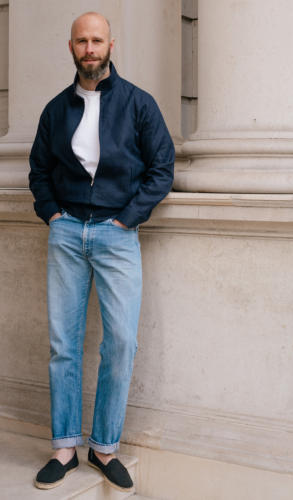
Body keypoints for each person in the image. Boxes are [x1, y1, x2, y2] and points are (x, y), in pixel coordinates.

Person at [29, 11, 174, 492]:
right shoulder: (55, 109)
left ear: (111, 44)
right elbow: (38, 172)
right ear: (70, 47)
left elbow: (162, 168)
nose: (89, 49)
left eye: (97, 40)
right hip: (67, 232)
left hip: (117, 236)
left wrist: (127, 219)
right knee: (63, 345)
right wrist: (53, 215)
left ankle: (104, 447)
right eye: (81, 41)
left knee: (121, 344)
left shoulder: (138, 104)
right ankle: (64, 448)